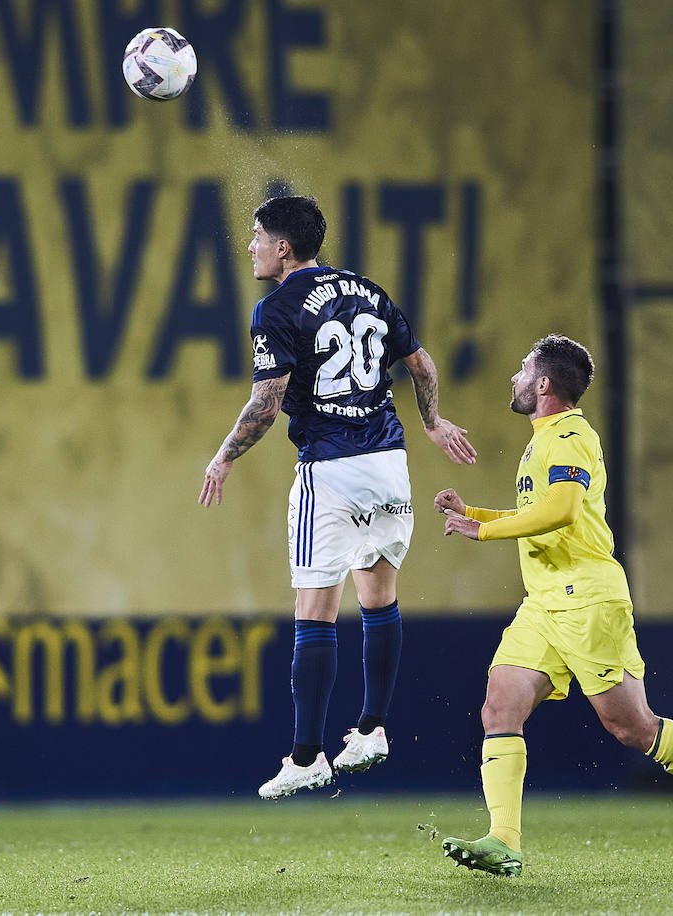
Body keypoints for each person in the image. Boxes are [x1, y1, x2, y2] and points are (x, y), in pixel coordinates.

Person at [433, 334, 673, 875]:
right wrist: (476, 513)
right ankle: (504, 840)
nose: (516, 377)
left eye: (524, 369)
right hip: (545, 600)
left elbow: (564, 511)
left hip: (587, 598)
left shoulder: (570, 435)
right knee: (500, 703)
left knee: (632, 728)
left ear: (544, 384)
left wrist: (484, 533)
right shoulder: (544, 437)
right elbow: (542, 512)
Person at [198, 195, 477, 799]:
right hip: (389, 464)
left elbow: (266, 406)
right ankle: (373, 728)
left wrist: (223, 457)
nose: (249, 246)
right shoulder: (369, 291)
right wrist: (432, 423)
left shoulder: (274, 308)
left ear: (283, 248)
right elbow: (423, 368)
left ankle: (306, 755)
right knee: (379, 599)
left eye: (257, 236)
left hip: (330, 468)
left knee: (314, 611)